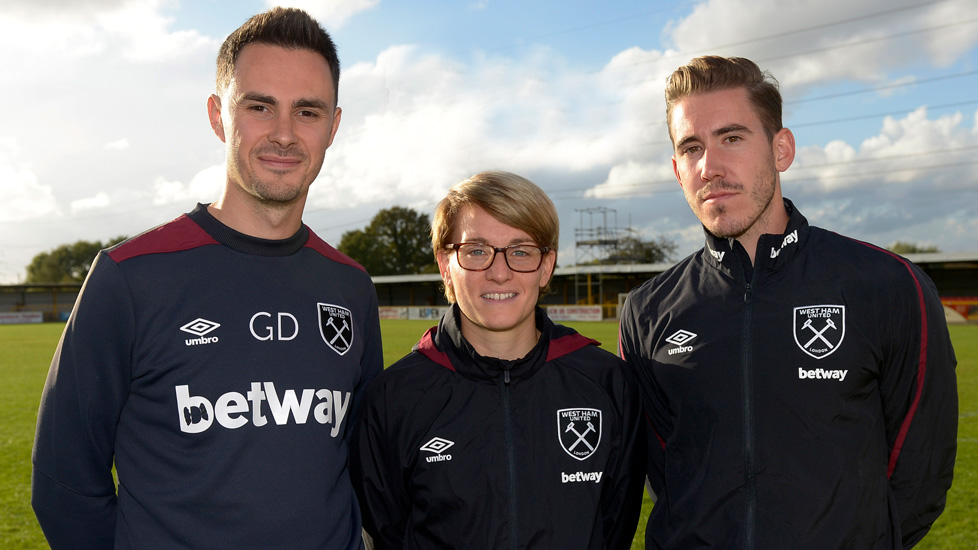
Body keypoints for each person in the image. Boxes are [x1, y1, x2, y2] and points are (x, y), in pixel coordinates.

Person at [31, 8, 383, 549]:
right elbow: (63, 480)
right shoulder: (129, 276)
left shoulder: (350, 286)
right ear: (219, 116)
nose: (284, 134)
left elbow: (364, 460)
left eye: (307, 112)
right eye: (260, 106)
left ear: (333, 126)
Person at [618, 55, 958, 549]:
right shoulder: (647, 310)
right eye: (692, 147)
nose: (710, 166)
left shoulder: (888, 284)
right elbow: (661, 469)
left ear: (781, 149)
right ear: (677, 170)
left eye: (732, 138)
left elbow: (920, 469)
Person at [351, 171, 645, 549]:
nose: (500, 272)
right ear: (445, 264)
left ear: (546, 266)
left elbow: (614, 526)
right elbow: (387, 531)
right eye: (476, 251)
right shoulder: (394, 398)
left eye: (521, 251)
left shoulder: (608, 385)